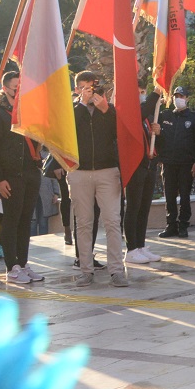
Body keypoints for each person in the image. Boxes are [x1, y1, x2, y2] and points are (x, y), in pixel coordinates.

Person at [69, 71, 129, 287]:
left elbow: (120, 133)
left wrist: (105, 110)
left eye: (92, 87)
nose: (89, 92)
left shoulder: (107, 109)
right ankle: (86, 270)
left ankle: (116, 271)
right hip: (79, 172)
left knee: (112, 221)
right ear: (77, 90)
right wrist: (82, 106)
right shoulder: (71, 110)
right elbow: (67, 132)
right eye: (84, 88)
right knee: (84, 223)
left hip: (107, 171)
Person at [0, 72, 45, 284]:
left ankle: (23, 262)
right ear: (6, 88)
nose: (19, 91)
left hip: (30, 173)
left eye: (22, 87)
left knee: (25, 220)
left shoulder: (28, 112)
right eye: (15, 87)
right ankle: (12, 267)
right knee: (11, 220)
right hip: (10, 177)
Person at [156, 86, 195, 239]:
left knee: (184, 196)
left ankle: (183, 225)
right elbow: (156, 134)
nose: (178, 99)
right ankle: (171, 225)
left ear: (187, 98)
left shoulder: (194, 118)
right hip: (168, 163)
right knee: (169, 195)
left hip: (186, 164)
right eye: (176, 95)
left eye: (182, 96)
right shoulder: (165, 115)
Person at [124, 86, 162, 265]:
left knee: (144, 208)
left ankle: (140, 245)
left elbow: (152, 140)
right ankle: (131, 248)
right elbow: (142, 111)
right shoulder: (130, 113)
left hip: (148, 166)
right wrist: (157, 92)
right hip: (135, 167)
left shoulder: (146, 119)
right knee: (133, 208)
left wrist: (157, 132)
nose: (142, 95)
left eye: (144, 92)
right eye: (139, 92)